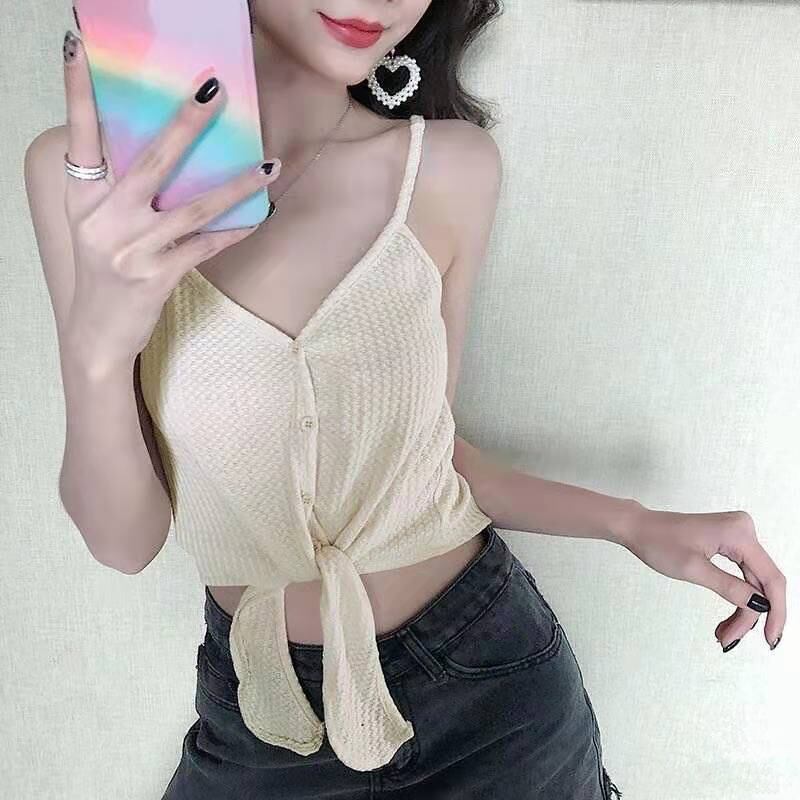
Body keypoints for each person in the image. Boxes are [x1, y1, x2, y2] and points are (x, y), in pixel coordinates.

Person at [23, 2, 785, 798]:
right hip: (261, 715)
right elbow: (124, 541)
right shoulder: (82, 180)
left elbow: (433, 455)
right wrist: (98, 351)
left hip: (490, 694)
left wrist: (634, 525)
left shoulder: (449, 169)